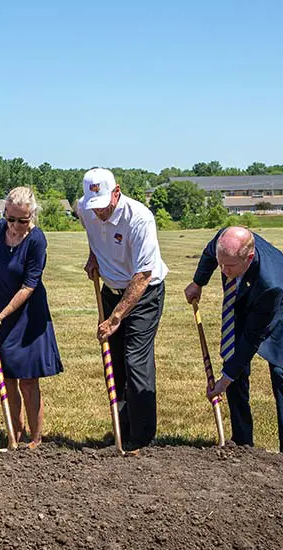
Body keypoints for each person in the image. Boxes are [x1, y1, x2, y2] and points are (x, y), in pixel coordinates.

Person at [184, 226, 283, 455]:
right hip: (247, 299)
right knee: (233, 359)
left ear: (248, 257)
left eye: (229, 266)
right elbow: (210, 254)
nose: (224, 270)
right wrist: (198, 282)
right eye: (222, 264)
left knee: (281, 372)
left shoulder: (271, 284)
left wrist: (223, 382)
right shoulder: (225, 243)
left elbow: (251, 339)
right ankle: (242, 443)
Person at [78, 167, 168, 450]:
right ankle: (122, 430)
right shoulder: (86, 208)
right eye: (94, 207)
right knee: (115, 362)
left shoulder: (139, 218)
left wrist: (117, 317)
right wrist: (93, 256)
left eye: (103, 206)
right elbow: (94, 235)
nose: (99, 212)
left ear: (117, 192)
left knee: (135, 362)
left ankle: (141, 439)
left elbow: (143, 275)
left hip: (144, 294)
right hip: (111, 290)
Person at [0, 186, 62, 448]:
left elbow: (29, 286)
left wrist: (0, 317)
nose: (16, 225)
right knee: (6, 376)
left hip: (28, 315)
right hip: (0, 310)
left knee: (28, 380)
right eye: (11, 219)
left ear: (32, 215)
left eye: (23, 220)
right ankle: (14, 435)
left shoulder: (37, 240)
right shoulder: (1, 227)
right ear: (5, 213)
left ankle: (35, 438)